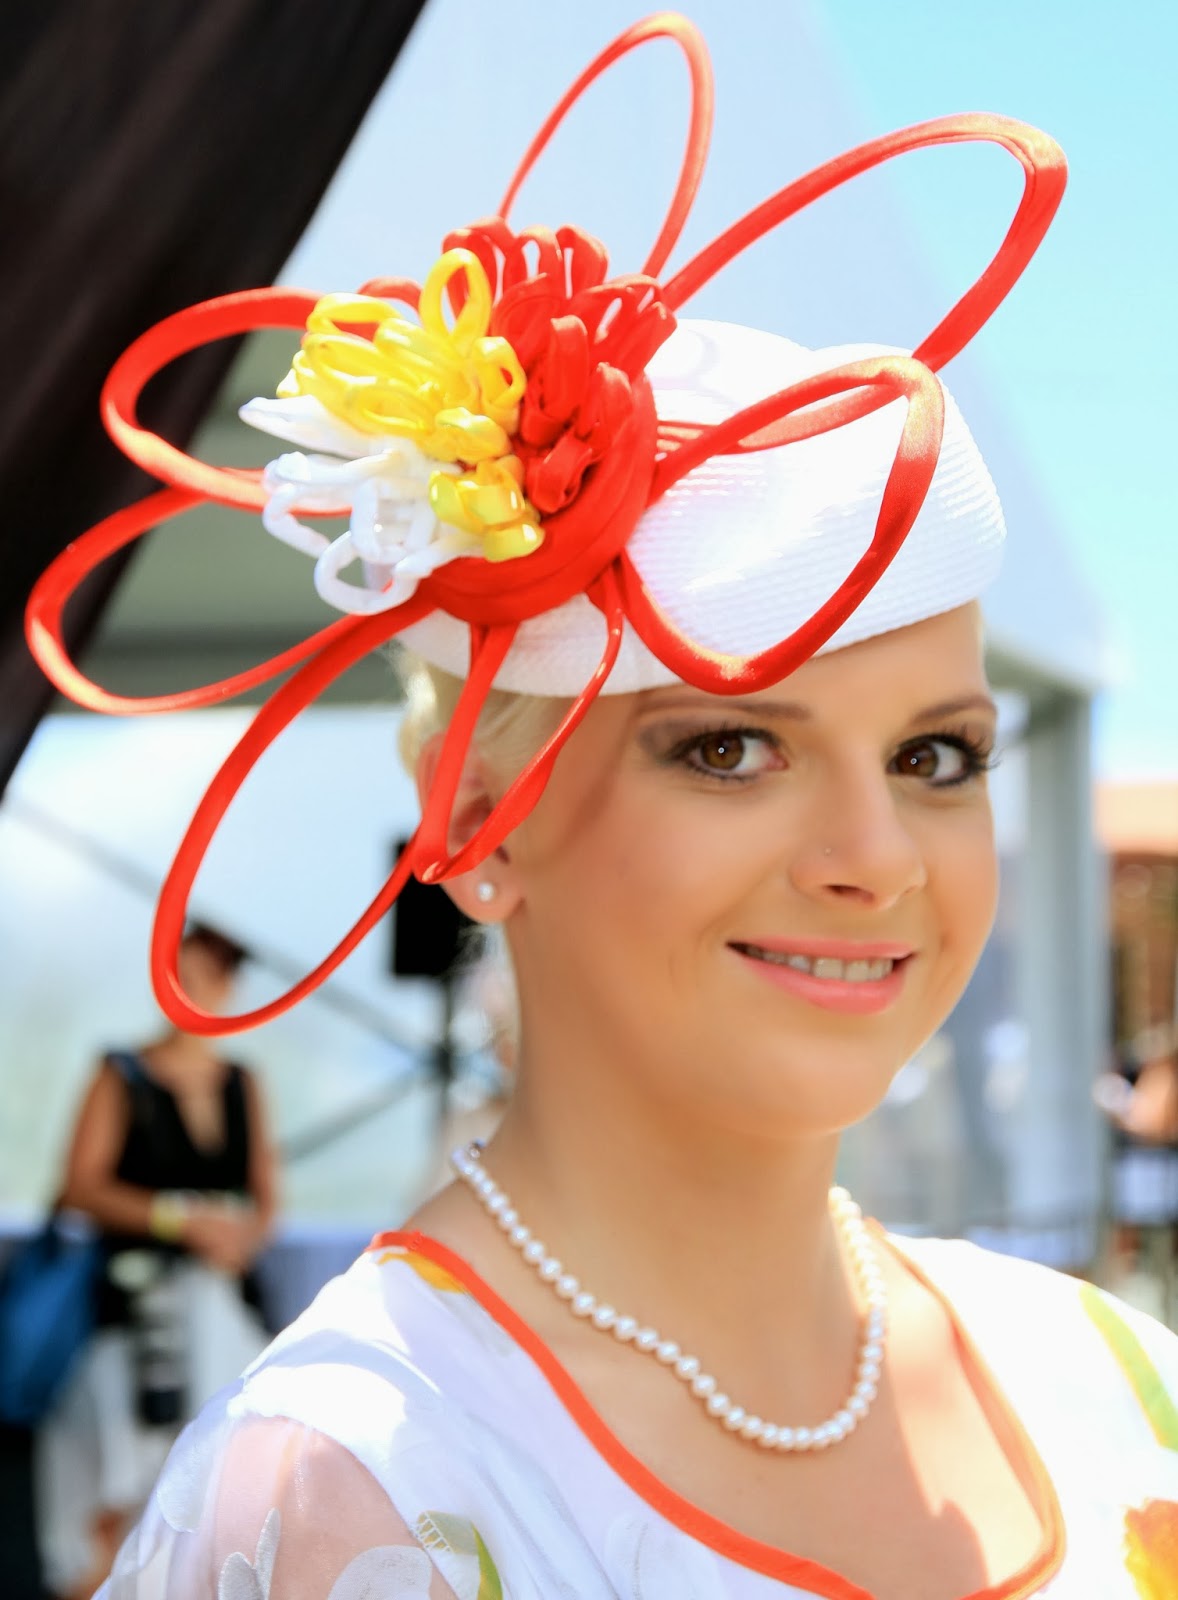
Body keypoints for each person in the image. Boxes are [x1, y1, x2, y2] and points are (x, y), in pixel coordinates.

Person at [23, 14, 1178, 1598]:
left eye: (935, 758)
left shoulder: (1112, 1384)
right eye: (728, 748)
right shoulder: (365, 1494)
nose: (871, 858)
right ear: (478, 816)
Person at [34, 924, 278, 1599]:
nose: (204, 991)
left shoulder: (242, 1083)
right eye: (192, 975)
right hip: (129, 1316)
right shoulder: (121, 1072)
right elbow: (80, 1187)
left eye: (217, 978)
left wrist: (237, 1235)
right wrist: (179, 1219)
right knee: (117, 1491)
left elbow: (265, 1200)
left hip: (221, 1321)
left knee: (222, 1497)